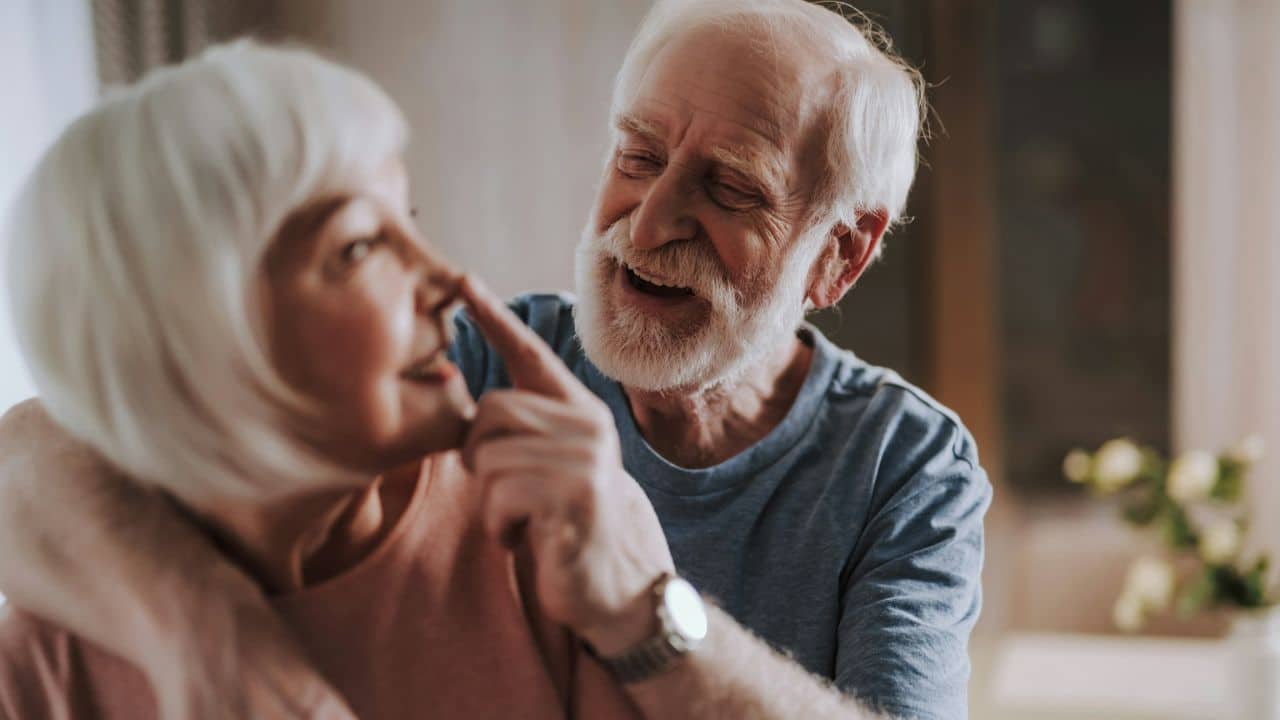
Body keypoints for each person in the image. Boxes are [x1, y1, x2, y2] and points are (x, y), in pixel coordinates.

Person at [0, 1, 992, 718]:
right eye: (636, 156)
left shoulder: (908, 466)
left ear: (840, 254)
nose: (646, 223)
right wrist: (212, 645)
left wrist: (643, 608)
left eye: (728, 188)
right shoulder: (469, 369)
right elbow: (57, 440)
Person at [0, 41, 644, 719]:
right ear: (195, 334)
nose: (448, 281)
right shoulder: (40, 676)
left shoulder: (560, 537)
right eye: (362, 245)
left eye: (411, 226)